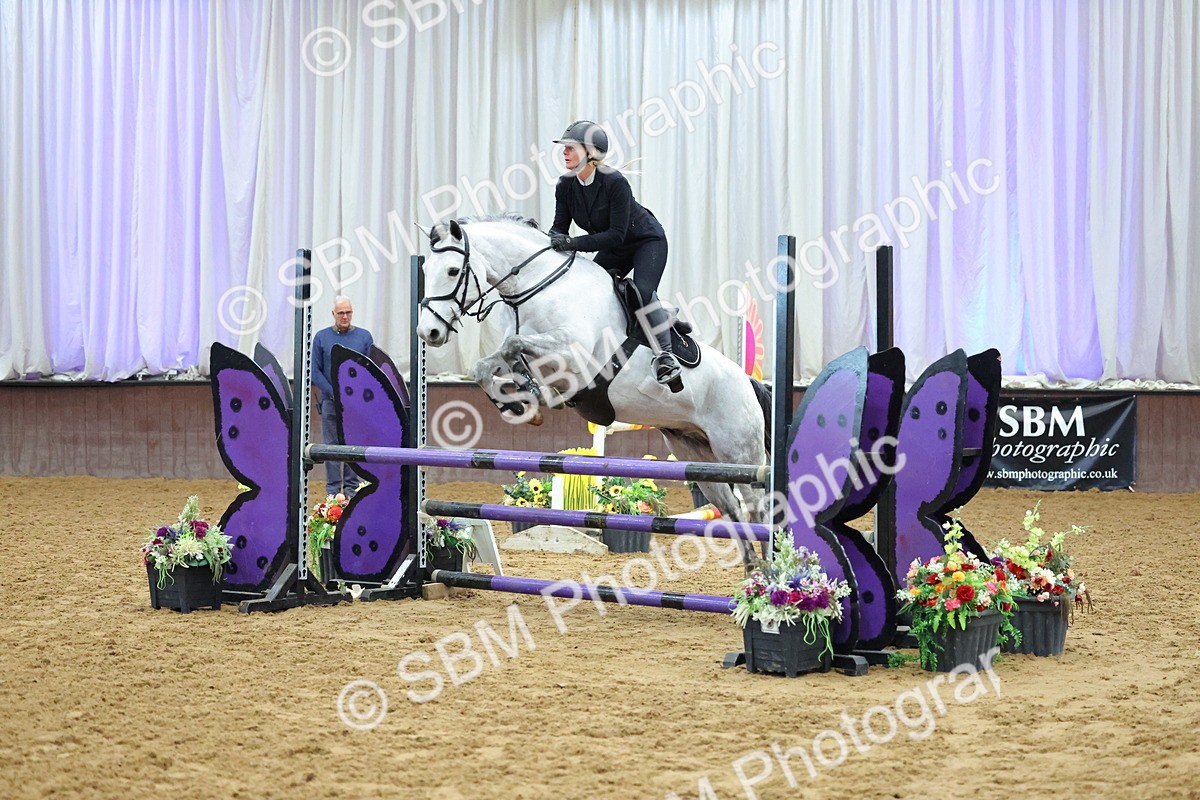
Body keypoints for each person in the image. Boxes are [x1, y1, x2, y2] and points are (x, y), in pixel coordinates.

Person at [547, 120, 681, 387]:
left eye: (571, 148)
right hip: (614, 247)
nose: (564, 153)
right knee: (592, 290)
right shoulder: (564, 186)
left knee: (641, 292)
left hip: (646, 241)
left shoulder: (615, 182)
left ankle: (665, 355)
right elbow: (558, 229)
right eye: (564, 148)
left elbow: (615, 235)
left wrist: (572, 244)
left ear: (591, 153)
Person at [312, 296, 374, 496]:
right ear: (333, 314)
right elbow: (314, 371)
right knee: (331, 447)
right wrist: (334, 392)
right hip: (330, 402)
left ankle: (351, 490)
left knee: (353, 446)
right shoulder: (321, 338)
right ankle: (332, 492)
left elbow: (370, 369)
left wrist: (355, 395)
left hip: (356, 404)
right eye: (341, 313)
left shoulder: (364, 337)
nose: (345, 316)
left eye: (348, 312)